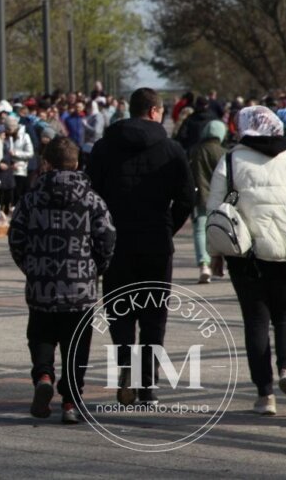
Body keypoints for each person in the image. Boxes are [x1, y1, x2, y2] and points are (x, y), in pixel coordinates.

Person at [87, 87, 194, 406]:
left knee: (120, 311)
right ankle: (147, 385)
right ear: (153, 111)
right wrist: (167, 227)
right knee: (153, 316)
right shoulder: (172, 149)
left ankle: (126, 370)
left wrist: (100, 233)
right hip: (156, 243)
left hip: (116, 243)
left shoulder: (103, 148)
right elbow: (187, 197)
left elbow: (90, 196)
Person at [9, 137, 116, 424]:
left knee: (41, 335)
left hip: (42, 283)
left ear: (46, 162)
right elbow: (106, 237)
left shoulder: (30, 198)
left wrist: (31, 267)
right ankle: (70, 402)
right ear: (77, 162)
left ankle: (43, 375)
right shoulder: (92, 199)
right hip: (79, 286)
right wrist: (95, 269)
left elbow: (16, 238)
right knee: (76, 344)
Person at [206, 106, 286, 416]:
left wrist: (214, 256)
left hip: (245, 254)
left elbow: (215, 211)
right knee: (283, 317)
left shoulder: (230, 159)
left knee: (256, 320)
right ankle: (284, 369)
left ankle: (265, 394)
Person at [188, 120, 227, 284]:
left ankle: (204, 265)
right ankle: (218, 262)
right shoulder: (224, 152)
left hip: (199, 197)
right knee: (221, 231)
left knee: (199, 231)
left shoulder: (195, 151)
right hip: (219, 199)